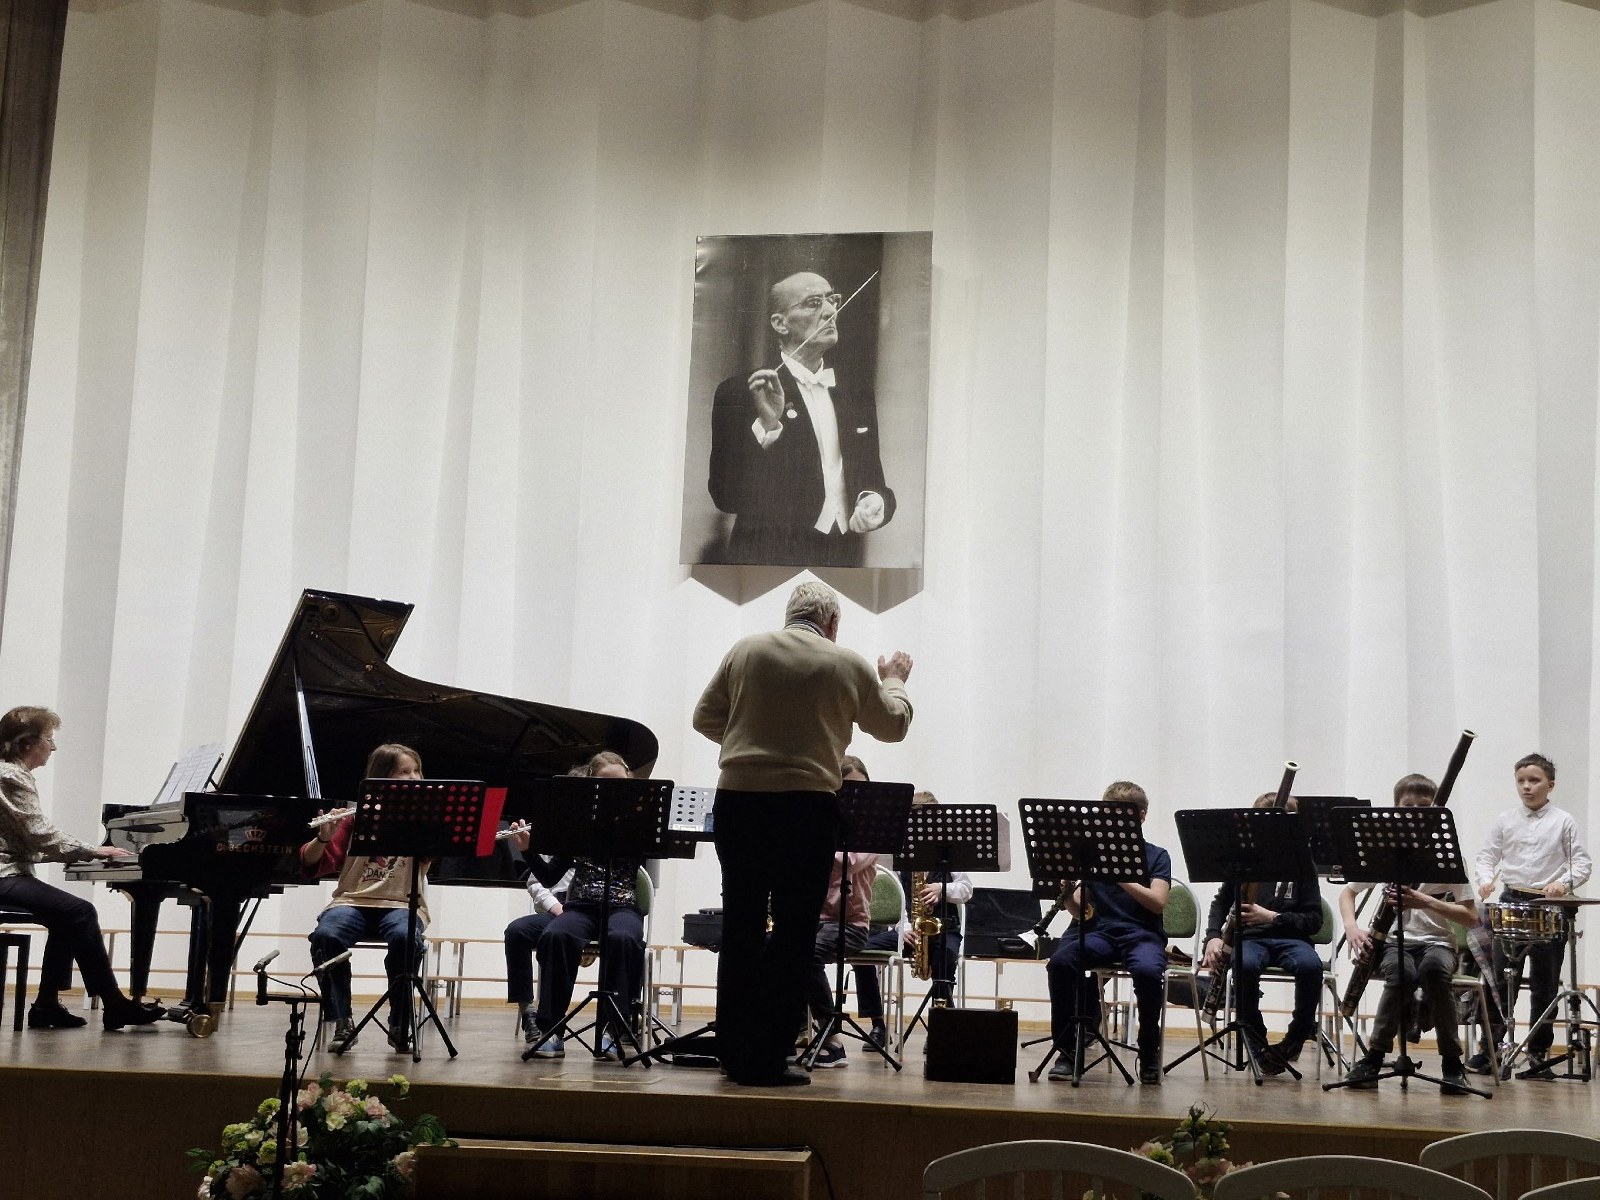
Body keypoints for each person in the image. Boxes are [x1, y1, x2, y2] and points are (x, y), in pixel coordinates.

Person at [694, 580, 913, 1086]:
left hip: (739, 801)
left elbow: (704, 717)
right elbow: (893, 725)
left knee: (741, 926)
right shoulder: (845, 661)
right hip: (805, 808)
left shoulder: (746, 650)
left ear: (790, 614)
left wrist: (754, 741)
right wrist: (895, 680)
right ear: (833, 624)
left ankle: (733, 1051)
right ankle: (769, 1057)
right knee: (795, 933)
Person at [708, 271, 896, 567]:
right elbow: (726, 496)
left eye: (832, 300)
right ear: (780, 323)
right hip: (768, 560)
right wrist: (767, 427)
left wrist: (876, 500)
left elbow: (873, 479)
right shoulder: (742, 392)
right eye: (813, 303)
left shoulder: (855, 393)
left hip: (842, 557)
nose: (831, 311)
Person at [0, 706, 165, 1031]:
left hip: (9, 871)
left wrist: (81, 854)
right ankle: (115, 1004)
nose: (54, 746)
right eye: (49, 738)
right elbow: (39, 834)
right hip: (4, 876)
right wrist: (92, 850)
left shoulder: (10, 774)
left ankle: (47, 1005)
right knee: (80, 911)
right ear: (27, 742)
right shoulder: (12, 777)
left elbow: (23, 841)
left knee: (66, 915)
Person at [1338, 773, 1479, 1095]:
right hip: (1393, 942)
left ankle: (1452, 1063)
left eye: (1423, 807)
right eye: (1407, 807)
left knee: (1434, 971)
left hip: (1438, 943)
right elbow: (1348, 892)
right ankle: (1373, 1058)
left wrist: (1424, 901)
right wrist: (1351, 927)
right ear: (1396, 809)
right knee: (1401, 974)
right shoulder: (1384, 853)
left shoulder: (1448, 855)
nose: (1415, 813)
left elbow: (1471, 917)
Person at [514, 751, 647, 1061]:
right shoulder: (576, 822)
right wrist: (529, 851)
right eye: (605, 785)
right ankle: (551, 1031)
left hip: (623, 906)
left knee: (623, 938)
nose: (614, 793)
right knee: (555, 935)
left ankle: (613, 1030)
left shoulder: (639, 821)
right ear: (591, 787)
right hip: (582, 906)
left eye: (620, 785)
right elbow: (550, 876)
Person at [1472, 752, 1593, 1078]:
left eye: (1534, 780)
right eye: (1521, 781)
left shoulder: (1564, 821)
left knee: (1544, 983)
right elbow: (1487, 856)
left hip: (1547, 905)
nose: (1526, 787)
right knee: (1500, 980)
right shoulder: (1505, 820)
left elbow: (1582, 864)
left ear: (1550, 785)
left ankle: (1538, 1053)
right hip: (1511, 901)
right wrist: (1485, 880)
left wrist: (1562, 883)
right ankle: (1490, 1050)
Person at [303, 743, 430, 1053]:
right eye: (404, 772)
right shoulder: (354, 817)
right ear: (381, 778)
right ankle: (342, 1020)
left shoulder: (427, 817)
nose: (414, 778)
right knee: (325, 936)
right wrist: (323, 836)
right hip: (352, 901)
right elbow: (310, 861)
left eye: (416, 771)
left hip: (402, 903)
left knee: (405, 938)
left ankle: (400, 1022)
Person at [1044, 781, 1171, 1085]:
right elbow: (1080, 912)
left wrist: (1120, 876)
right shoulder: (1094, 855)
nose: (1111, 822)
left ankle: (1149, 1050)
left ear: (1141, 816)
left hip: (1142, 934)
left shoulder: (1157, 855)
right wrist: (1067, 893)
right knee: (1060, 963)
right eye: (1107, 815)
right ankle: (1067, 1050)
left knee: (1148, 972)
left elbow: (1157, 902)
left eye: (1120, 815)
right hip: (1101, 933)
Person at [1201, 791, 1324, 1075]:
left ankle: (1294, 1040)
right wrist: (1213, 936)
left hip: (1292, 938)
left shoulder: (1303, 863)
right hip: (1251, 938)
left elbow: (1314, 920)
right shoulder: (1245, 860)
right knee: (1243, 965)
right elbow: (1221, 903)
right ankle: (1256, 1041)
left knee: (1310, 966)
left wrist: (1272, 917)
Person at [852, 784, 971, 1049]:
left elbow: (966, 889)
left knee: (946, 956)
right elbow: (900, 898)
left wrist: (942, 889)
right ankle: (877, 1025)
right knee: (860, 953)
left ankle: (939, 1028)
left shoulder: (951, 852)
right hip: (909, 931)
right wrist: (904, 927)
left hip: (945, 929)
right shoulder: (901, 853)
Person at [803, 835, 879, 1068]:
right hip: (814, 921)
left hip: (851, 926)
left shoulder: (869, 838)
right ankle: (795, 1031)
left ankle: (832, 1040)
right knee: (777, 950)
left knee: (807, 954)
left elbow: (849, 862)